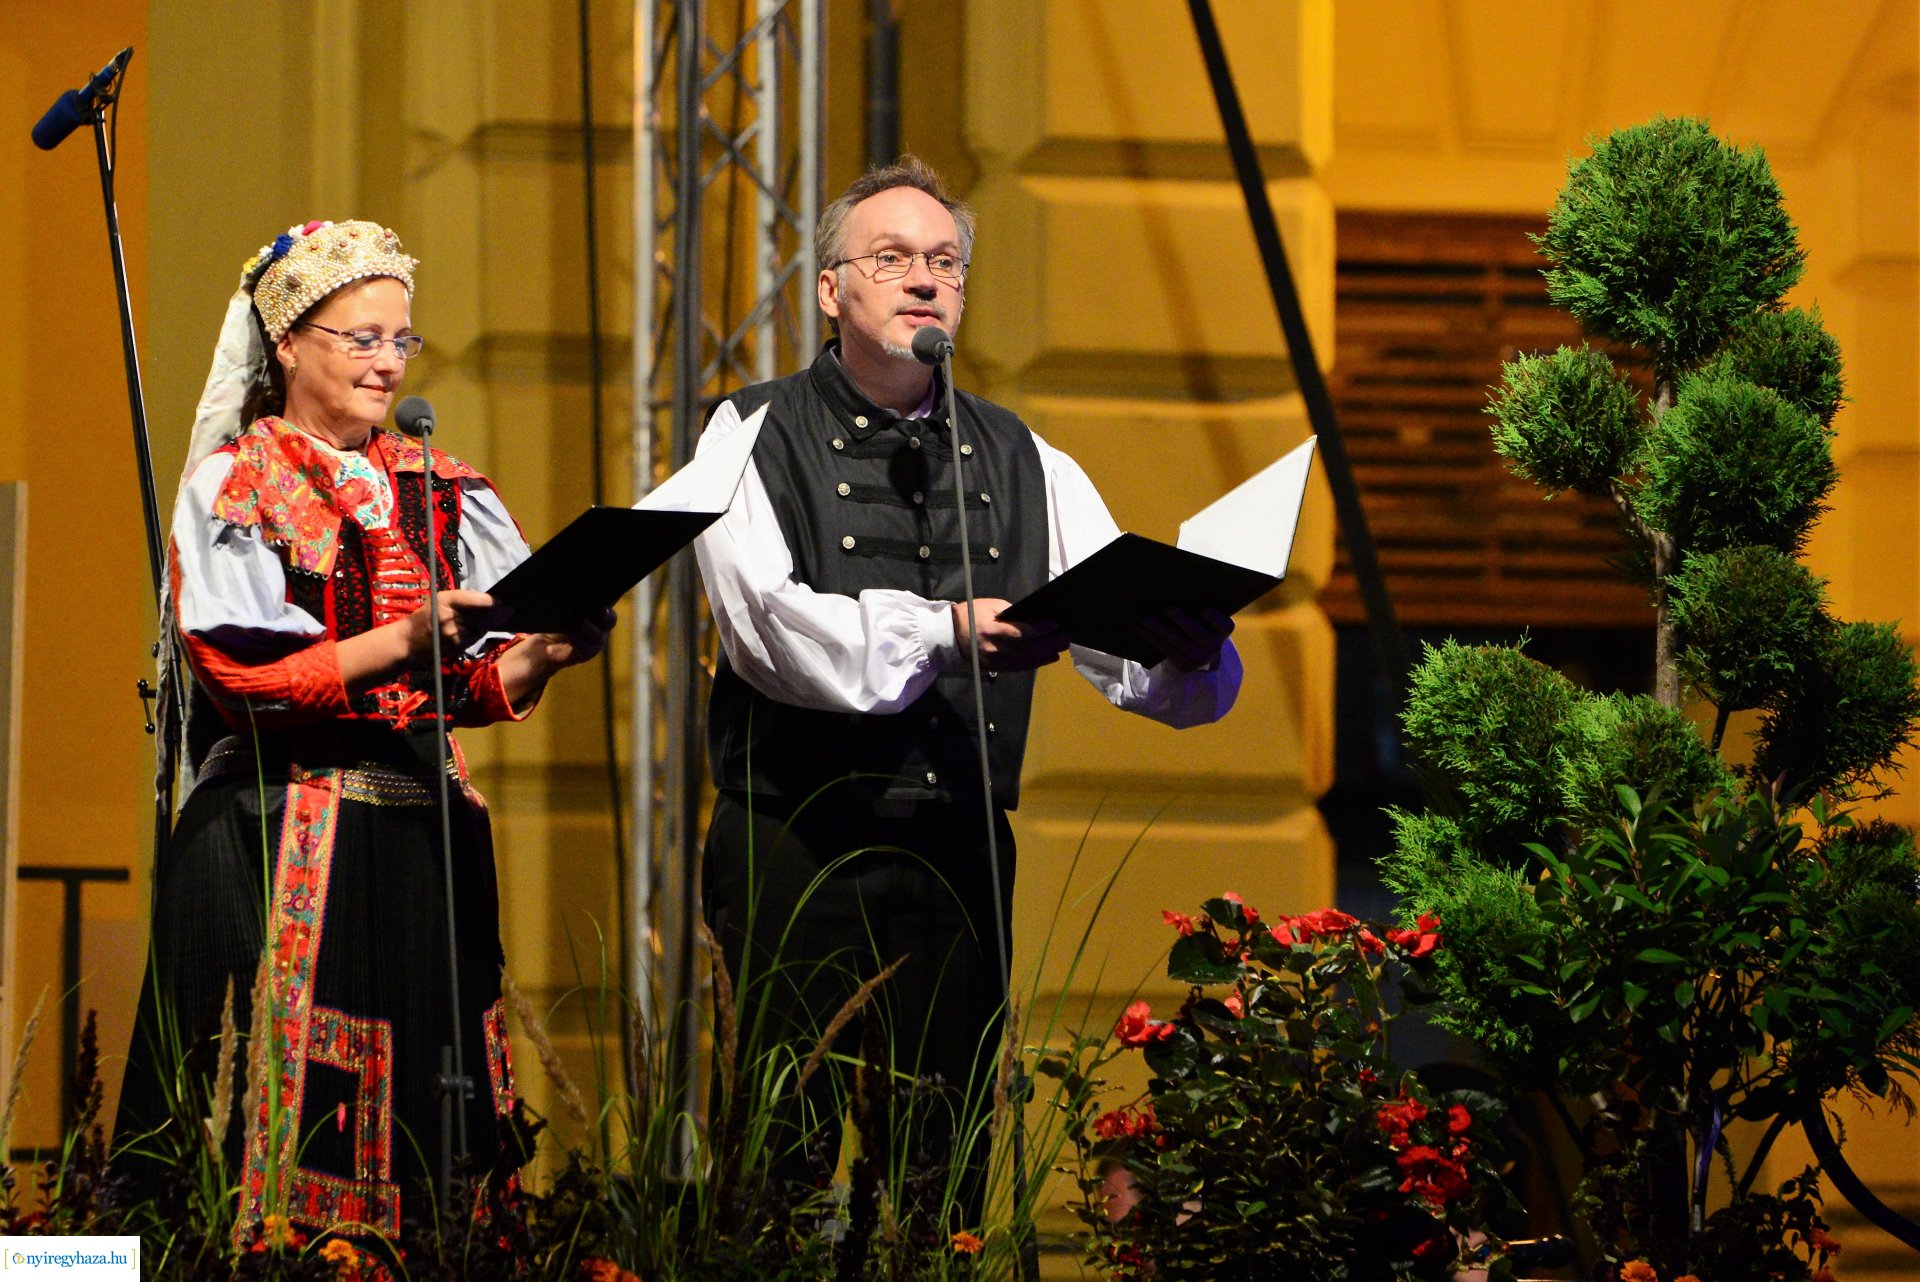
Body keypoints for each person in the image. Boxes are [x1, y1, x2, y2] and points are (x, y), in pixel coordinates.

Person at [693, 158, 1241, 1214]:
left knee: (942, 1167)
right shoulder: (749, 432)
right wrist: (945, 631)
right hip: (795, 840)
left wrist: (1183, 644)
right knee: (779, 1162)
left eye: (944, 262)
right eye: (892, 258)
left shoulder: (1023, 455)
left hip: (956, 849)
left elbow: (1116, 639)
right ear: (830, 289)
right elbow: (770, 633)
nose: (923, 279)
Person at [116, 220, 612, 1243]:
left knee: (426, 1126)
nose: (388, 362)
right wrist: (402, 640)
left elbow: (466, 685)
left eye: (401, 340)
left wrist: (545, 654)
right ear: (289, 344)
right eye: (362, 339)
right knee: (256, 1112)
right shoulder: (241, 483)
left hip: (418, 840)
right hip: (274, 824)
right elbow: (244, 675)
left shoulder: (440, 485)